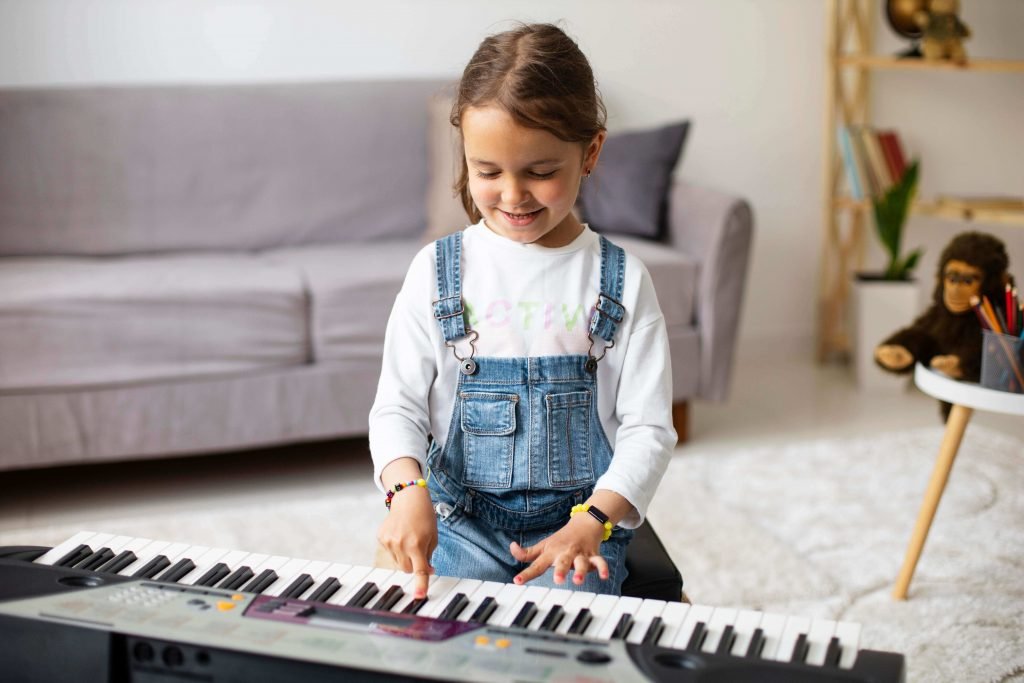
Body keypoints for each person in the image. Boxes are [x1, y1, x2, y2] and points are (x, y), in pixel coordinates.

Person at [369, 22, 676, 602]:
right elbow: (396, 408)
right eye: (487, 172)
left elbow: (649, 432)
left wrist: (592, 523)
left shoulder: (623, 282)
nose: (512, 195)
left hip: (580, 531)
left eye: (540, 173)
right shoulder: (436, 272)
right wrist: (406, 492)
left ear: (590, 152)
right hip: (458, 524)